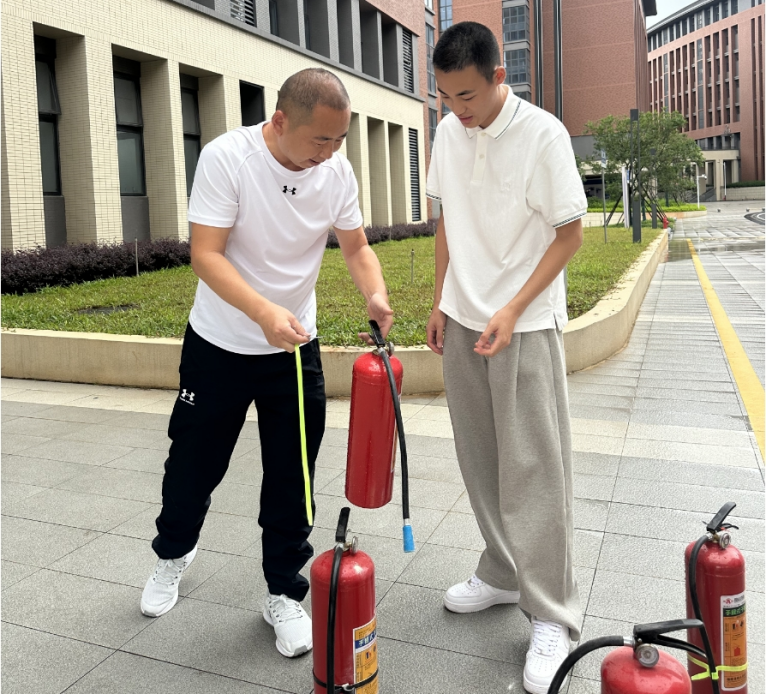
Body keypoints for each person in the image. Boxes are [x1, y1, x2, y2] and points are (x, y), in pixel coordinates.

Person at [140, 68, 393, 659]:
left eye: (339, 141)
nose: (329, 153)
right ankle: (172, 555)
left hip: (294, 347)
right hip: (219, 343)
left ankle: (283, 591)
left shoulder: (336, 170)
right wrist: (261, 312)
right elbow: (206, 254)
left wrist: (375, 293)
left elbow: (356, 246)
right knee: (192, 465)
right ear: (280, 121)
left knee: (292, 477)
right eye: (320, 140)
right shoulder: (229, 159)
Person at [425, 22, 586, 694]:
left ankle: (551, 614)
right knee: (481, 457)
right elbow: (446, 221)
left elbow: (570, 234)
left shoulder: (543, 135)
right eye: (445, 97)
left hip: (525, 323)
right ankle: (502, 571)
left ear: (498, 77)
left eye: (466, 95)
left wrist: (515, 308)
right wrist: (440, 300)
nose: (457, 109)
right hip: (465, 316)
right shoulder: (448, 134)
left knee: (535, 470)